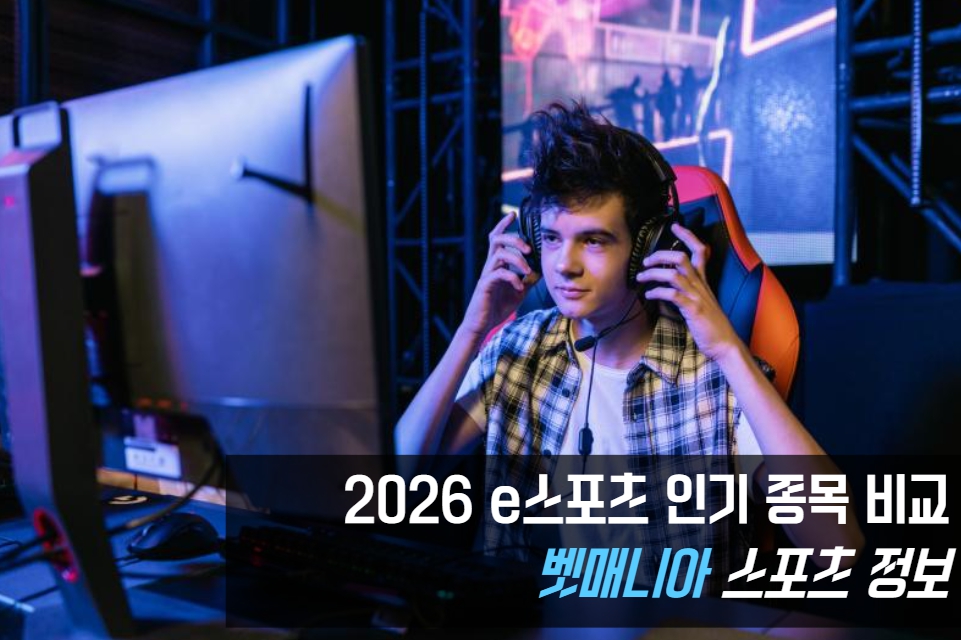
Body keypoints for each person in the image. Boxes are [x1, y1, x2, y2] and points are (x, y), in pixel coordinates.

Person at [395, 100, 863, 591]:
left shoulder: (712, 378)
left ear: (649, 249)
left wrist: (728, 351)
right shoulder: (517, 350)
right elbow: (401, 481)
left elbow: (838, 548)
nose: (564, 265)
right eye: (551, 238)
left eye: (593, 241)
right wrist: (472, 331)